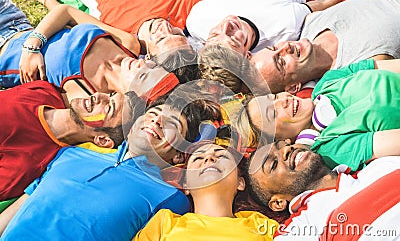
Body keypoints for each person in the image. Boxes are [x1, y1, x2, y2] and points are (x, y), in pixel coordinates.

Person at [0, 89, 220, 239]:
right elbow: (17, 210)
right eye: (152, 113)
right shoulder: (68, 155)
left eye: (172, 124)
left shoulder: (170, 198)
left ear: (178, 157)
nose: (156, 120)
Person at [1, 0, 198, 98]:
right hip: (16, 22)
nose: (142, 64)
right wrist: (33, 45)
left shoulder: (87, 95)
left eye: (144, 76)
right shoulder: (128, 45)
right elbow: (67, 12)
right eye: (152, 65)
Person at [243, 58, 400, 171]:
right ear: (282, 140)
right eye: (273, 113)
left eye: (275, 97)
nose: (283, 100)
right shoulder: (331, 150)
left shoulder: (327, 81)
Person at [0, 80, 131, 203]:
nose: (98, 96)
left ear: (102, 140)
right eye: (110, 94)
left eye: (109, 107)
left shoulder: (28, 163)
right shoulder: (44, 91)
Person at [250, 0, 400, 94]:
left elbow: (367, 0)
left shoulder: (310, 23)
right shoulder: (348, 76)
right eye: (281, 62)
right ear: (292, 88)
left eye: (274, 47)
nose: (285, 48)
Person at [246, 140, 400, 240]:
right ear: (278, 202)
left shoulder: (382, 164)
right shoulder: (300, 228)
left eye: (282, 145)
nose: (286, 150)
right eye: (273, 164)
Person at [134, 135, 278, 240]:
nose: (209, 159)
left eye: (222, 157)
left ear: (240, 182)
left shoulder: (260, 223)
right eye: (197, 158)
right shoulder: (163, 223)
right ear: (186, 186)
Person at [34, 0, 197, 58]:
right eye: (177, 34)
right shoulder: (187, 7)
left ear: (148, 57)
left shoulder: (117, 34)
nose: (165, 29)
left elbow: (68, 15)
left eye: (160, 39)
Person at [188, 0, 356, 54]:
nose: (226, 25)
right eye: (233, 38)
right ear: (247, 55)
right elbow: (328, 0)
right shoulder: (284, 24)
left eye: (214, 34)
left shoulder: (197, 22)